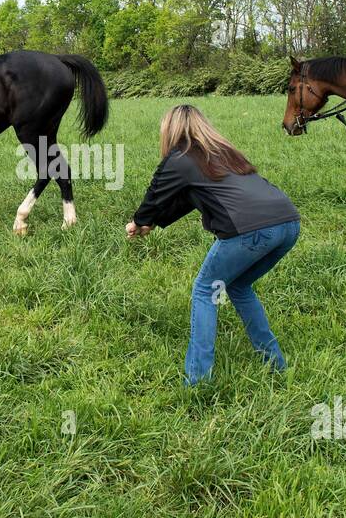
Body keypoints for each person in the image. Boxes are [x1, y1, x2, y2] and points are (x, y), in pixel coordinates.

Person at [128, 105, 301, 386]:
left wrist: (139, 220)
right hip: (288, 223)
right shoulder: (225, 152)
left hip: (250, 230)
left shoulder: (179, 157)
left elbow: (155, 193)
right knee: (238, 285)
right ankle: (275, 363)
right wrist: (153, 223)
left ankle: (197, 382)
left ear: (170, 130)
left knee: (205, 291)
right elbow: (188, 199)